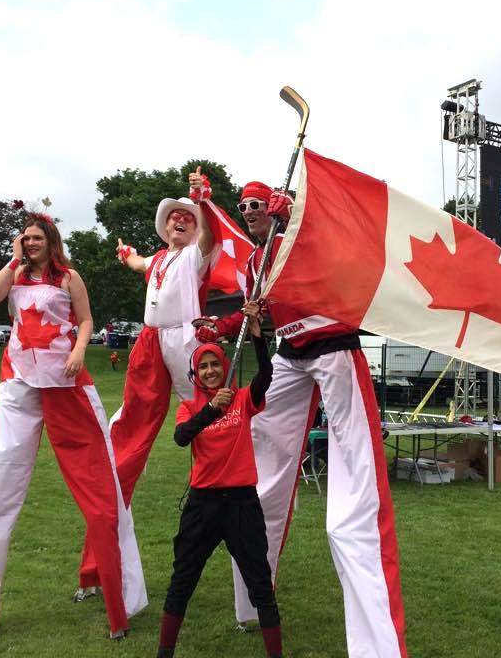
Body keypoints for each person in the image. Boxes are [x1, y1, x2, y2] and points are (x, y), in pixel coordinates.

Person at [195, 181, 408, 658]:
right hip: (290, 353)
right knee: (260, 459)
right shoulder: (255, 262)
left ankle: (377, 638)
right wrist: (223, 324)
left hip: (332, 346)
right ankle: (254, 595)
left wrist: (292, 216)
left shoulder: (300, 239)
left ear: (272, 208)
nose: (250, 212)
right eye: (244, 207)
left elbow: (332, 240)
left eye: (258, 205)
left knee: (356, 471)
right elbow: (253, 313)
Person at [0, 213, 147, 642]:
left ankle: (121, 598)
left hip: (67, 386)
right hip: (20, 384)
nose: (31, 243)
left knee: (100, 491)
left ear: (51, 241)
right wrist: (12, 259)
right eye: (26, 238)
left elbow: (87, 320)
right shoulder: (15, 276)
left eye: (37, 238)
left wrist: (78, 351)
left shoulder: (69, 277)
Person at [76, 170, 218, 598]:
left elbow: (210, 237)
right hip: (151, 341)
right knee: (126, 442)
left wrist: (204, 201)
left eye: (187, 217)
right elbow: (139, 262)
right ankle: (98, 562)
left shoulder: (196, 255)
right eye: (174, 216)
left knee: (212, 427)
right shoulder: (157, 260)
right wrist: (126, 254)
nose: (180, 220)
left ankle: (225, 510)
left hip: (187, 339)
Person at [156, 302, 282, 658]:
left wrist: (258, 337)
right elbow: (182, 437)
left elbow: (265, 378)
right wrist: (212, 410)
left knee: (260, 584)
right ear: (196, 374)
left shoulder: (242, 399)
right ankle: (165, 651)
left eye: (215, 364)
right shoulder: (191, 406)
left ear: (224, 367)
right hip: (203, 505)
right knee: (182, 580)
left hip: (242, 504)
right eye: (204, 367)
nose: (211, 371)